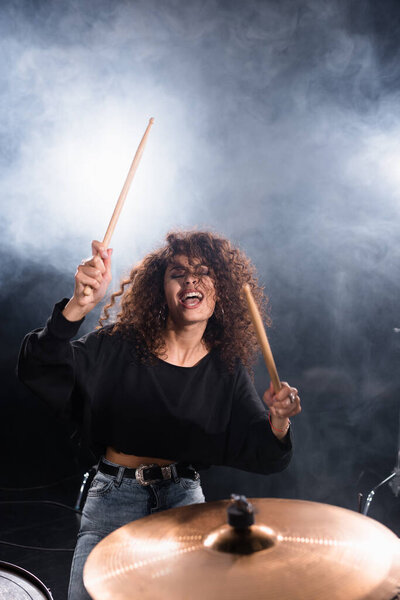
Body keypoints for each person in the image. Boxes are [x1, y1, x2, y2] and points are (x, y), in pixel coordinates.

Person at [18, 230, 301, 600]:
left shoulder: (226, 368)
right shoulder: (119, 345)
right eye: (178, 272)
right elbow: (38, 367)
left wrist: (278, 420)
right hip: (113, 499)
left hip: (183, 498)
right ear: (161, 289)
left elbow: (265, 452)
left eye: (203, 271)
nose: (190, 279)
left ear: (222, 290)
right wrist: (77, 307)